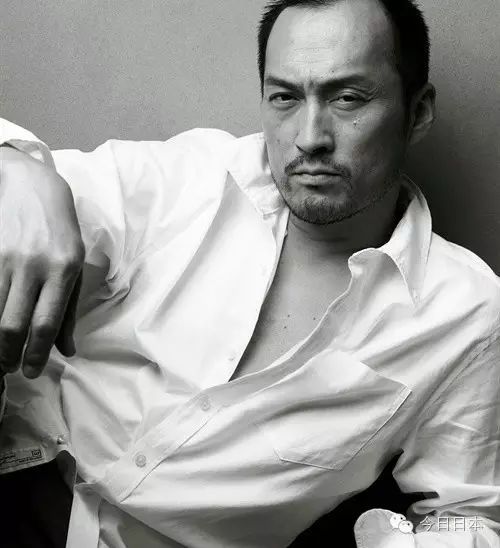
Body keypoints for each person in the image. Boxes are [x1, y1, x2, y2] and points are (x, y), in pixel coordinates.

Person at [0, 0, 499, 546]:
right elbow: (25, 184)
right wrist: (18, 169)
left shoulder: (465, 315)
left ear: (417, 112)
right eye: (285, 97)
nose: (310, 136)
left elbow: (473, 515)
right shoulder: (190, 179)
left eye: (347, 98)